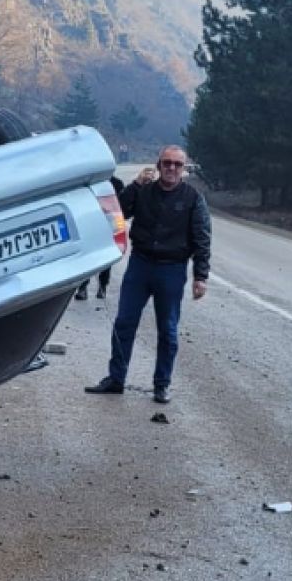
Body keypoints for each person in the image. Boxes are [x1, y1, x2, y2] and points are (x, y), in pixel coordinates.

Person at [84, 146, 210, 404]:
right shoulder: (143, 191)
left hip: (172, 270)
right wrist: (134, 185)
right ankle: (116, 379)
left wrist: (200, 276)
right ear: (159, 164)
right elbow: (117, 214)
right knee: (124, 323)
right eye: (167, 163)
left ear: (183, 169)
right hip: (140, 266)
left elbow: (202, 239)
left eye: (177, 164)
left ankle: (161, 385)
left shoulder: (192, 198)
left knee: (168, 331)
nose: (171, 168)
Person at [74, 174, 126, 301]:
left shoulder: (117, 183)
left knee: (106, 257)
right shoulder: (87, 183)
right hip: (90, 222)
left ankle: (102, 286)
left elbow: (121, 206)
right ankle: (83, 287)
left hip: (109, 223)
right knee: (88, 257)